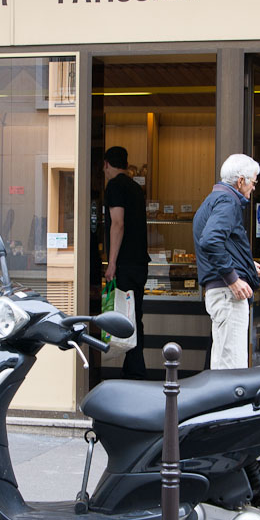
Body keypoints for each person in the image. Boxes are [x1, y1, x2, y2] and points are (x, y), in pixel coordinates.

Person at [193, 154, 260, 370]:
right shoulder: (227, 202)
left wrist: (246, 265)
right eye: (253, 181)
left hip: (222, 293)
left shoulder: (214, 199)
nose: (254, 187)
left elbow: (217, 241)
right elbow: (211, 240)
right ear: (241, 181)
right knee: (231, 370)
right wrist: (233, 278)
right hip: (227, 294)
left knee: (225, 363)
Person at [102, 146, 150, 379]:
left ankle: (135, 369)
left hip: (126, 264)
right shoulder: (135, 187)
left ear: (106, 164)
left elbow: (117, 223)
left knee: (124, 316)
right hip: (140, 263)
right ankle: (134, 366)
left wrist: (111, 262)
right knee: (134, 315)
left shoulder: (115, 186)